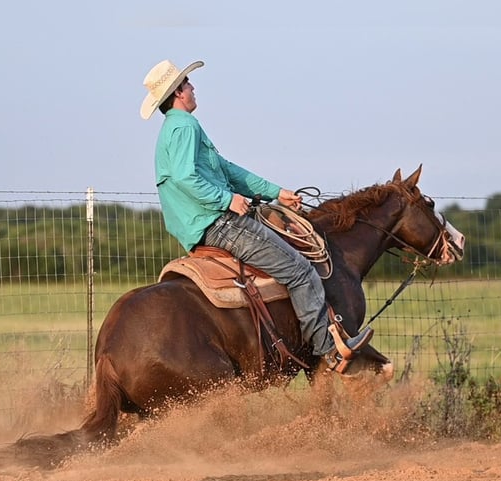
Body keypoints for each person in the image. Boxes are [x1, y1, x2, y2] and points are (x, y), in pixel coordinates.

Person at [139, 58, 372, 370]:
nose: (193, 88)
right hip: (218, 223)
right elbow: (185, 178)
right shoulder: (185, 126)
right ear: (179, 93)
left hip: (203, 223)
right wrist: (227, 200)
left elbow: (228, 171)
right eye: (188, 84)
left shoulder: (175, 128)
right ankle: (328, 350)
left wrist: (277, 193)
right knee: (301, 270)